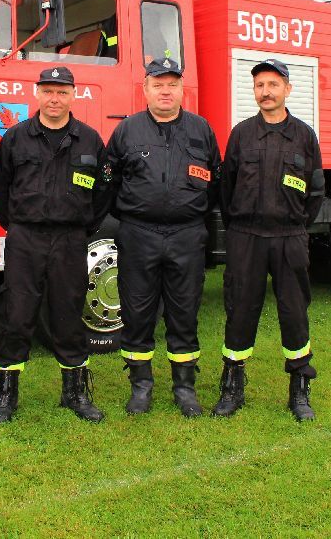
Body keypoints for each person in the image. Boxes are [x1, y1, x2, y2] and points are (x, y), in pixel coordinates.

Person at [0, 66, 110, 424]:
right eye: (48, 91)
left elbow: (103, 193)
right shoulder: (17, 138)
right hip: (25, 238)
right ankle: (6, 395)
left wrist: (83, 226)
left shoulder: (89, 140)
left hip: (71, 239)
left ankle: (74, 393)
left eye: (62, 92)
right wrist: (18, 225)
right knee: (17, 314)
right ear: (37, 94)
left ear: (73, 95)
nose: (55, 99)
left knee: (69, 314)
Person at [106, 57, 221, 418]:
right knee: (137, 313)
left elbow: (215, 183)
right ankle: (141, 387)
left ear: (181, 89)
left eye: (172, 84)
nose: (166, 91)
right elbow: (109, 181)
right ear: (146, 90)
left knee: (183, 312)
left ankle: (184, 388)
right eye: (158, 84)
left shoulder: (201, 130)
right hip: (139, 235)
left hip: (187, 236)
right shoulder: (127, 130)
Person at [216, 58, 324, 421]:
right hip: (245, 237)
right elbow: (225, 187)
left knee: (294, 314)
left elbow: (316, 191)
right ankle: (232, 388)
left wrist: (293, 224)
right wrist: (240, 225)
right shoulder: (241, 133)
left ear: (287, 89)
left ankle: (299, 391)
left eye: (273, 85)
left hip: (289, 238)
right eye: (260, 85)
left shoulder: (305, 136)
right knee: (239, 311)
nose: (266, 91)